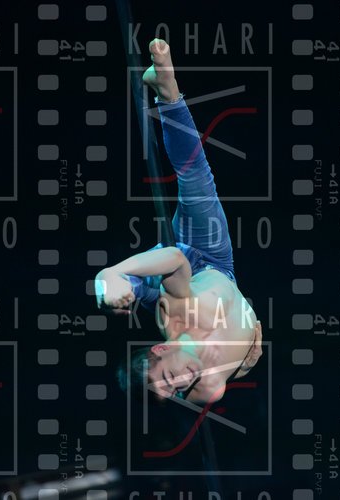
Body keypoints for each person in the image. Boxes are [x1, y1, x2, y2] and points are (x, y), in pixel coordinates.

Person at [95, 39, 263, 404]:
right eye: (174, 391)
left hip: (197, 259)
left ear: (160, 349)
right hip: (220, 275)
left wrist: (112, 273)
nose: (181, 382)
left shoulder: (177, 315)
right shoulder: (209, 389)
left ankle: (167, 93)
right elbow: (240, 360)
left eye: (170, 378)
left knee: (196, 180)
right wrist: (246, 363)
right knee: (143, 292)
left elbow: (175, 259)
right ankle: (120, 286)